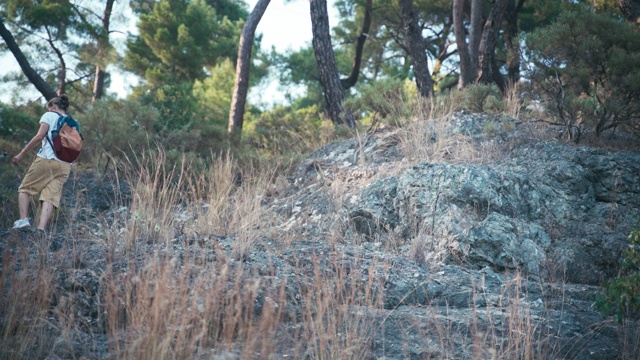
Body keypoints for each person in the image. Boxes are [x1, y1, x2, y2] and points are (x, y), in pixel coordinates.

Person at [11, 94, 73, 230]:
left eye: (49, 108)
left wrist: (21, 154)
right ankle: (41, 229)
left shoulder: (49, 115)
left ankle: (23, 220)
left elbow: (39, 136)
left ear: (54, 107)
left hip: (48, 159)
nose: (48, 110)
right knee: (49, 197)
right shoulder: (71, 121)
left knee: (24, 189)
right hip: (65, 166)